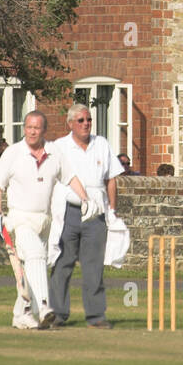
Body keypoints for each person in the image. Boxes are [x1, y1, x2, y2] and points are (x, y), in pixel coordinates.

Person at [48, 105, 124, 329]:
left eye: (88, 120)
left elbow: (111, 180)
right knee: (63, 263)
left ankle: (96, 316)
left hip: (97, 212)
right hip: (68, 211)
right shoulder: (59, 147)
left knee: (94, 267)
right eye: (80, 120)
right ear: (70, 123)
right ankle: (57, 314)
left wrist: (112, 210)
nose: (86, 124)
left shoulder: (101, 144)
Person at [0, 111, 60, 330]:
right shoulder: (12, 153)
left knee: (34, 267)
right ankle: (44, 307)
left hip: (43, 220)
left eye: (36, 127)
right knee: (36, 257)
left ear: (43, 130)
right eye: (29, 127)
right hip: (19, 219)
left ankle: (22, 313)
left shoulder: (51, 153)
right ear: (24, 128)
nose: (32, 131)